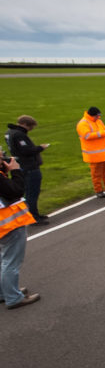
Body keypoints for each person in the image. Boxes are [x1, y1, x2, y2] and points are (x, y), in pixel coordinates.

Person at [0, 155, 39, 309]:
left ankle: (5, 291)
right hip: (9, 224)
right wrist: (16, 171)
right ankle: (13, 297)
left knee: (4, 259)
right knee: (11, 261)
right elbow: (15, 191)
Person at [5, 115, 49, 224]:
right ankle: (33, 216)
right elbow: (26, 151)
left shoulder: (9, 133)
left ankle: (32, 214)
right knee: (32, 192)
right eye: (30, 127)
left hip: (21, 166)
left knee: (28, 192)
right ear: (25, 124)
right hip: (29, 166)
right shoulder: (19, 135)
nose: (30, 129)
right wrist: (40, 148)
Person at [76, 107, 105, 198]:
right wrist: (103, 133)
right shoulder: (83, 123)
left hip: (104, 152)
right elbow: (87, 136)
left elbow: (104, 130)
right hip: (94, 155)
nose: (99, 117)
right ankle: (99, 191)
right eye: (97, 116)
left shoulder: (98, 121)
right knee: (96, 175)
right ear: (92, 115)